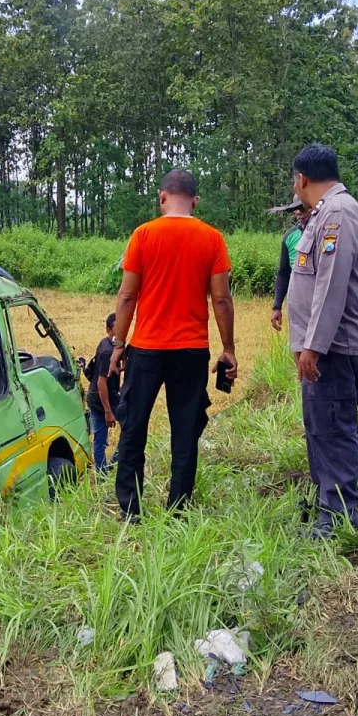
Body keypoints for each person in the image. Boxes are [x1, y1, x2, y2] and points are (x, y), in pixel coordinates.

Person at [110, 169, 237, 521]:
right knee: (185, 431)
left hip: (147, 349)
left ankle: (131, 510)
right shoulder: (212, 238)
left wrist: (119, 343)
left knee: (134, 426)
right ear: (195, 200)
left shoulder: (144, 235)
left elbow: (127, 295)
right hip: (192, 351)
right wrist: (228, 348)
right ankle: (178, 509)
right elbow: (222, 299)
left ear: (161, 197)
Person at [285, 144, 358, 537]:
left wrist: (313, 346)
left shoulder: (337, 213)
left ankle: (338, 521)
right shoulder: (327, 212)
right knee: (320, 426)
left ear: (302, 178)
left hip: (332, 350)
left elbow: (331, 287)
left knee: (333, 430)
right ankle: (327, 505)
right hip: (325, 349)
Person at [86, 313, 121, 474]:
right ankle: (108, 469)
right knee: (129, 431)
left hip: (94, 397)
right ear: (108, 329)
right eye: (117, 327)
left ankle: (103, 474)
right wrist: (108, 411)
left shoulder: (106, 343)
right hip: (102, 399)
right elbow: (102, 382)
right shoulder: (108, 352)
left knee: (99, 441)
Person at [271, 199, 311, 331]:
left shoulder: (326, 233)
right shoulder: (289, 236)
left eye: (303, 207)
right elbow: (283, 273)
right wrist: (277, 306)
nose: (299, 212)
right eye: (296, 209)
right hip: (298, 307)